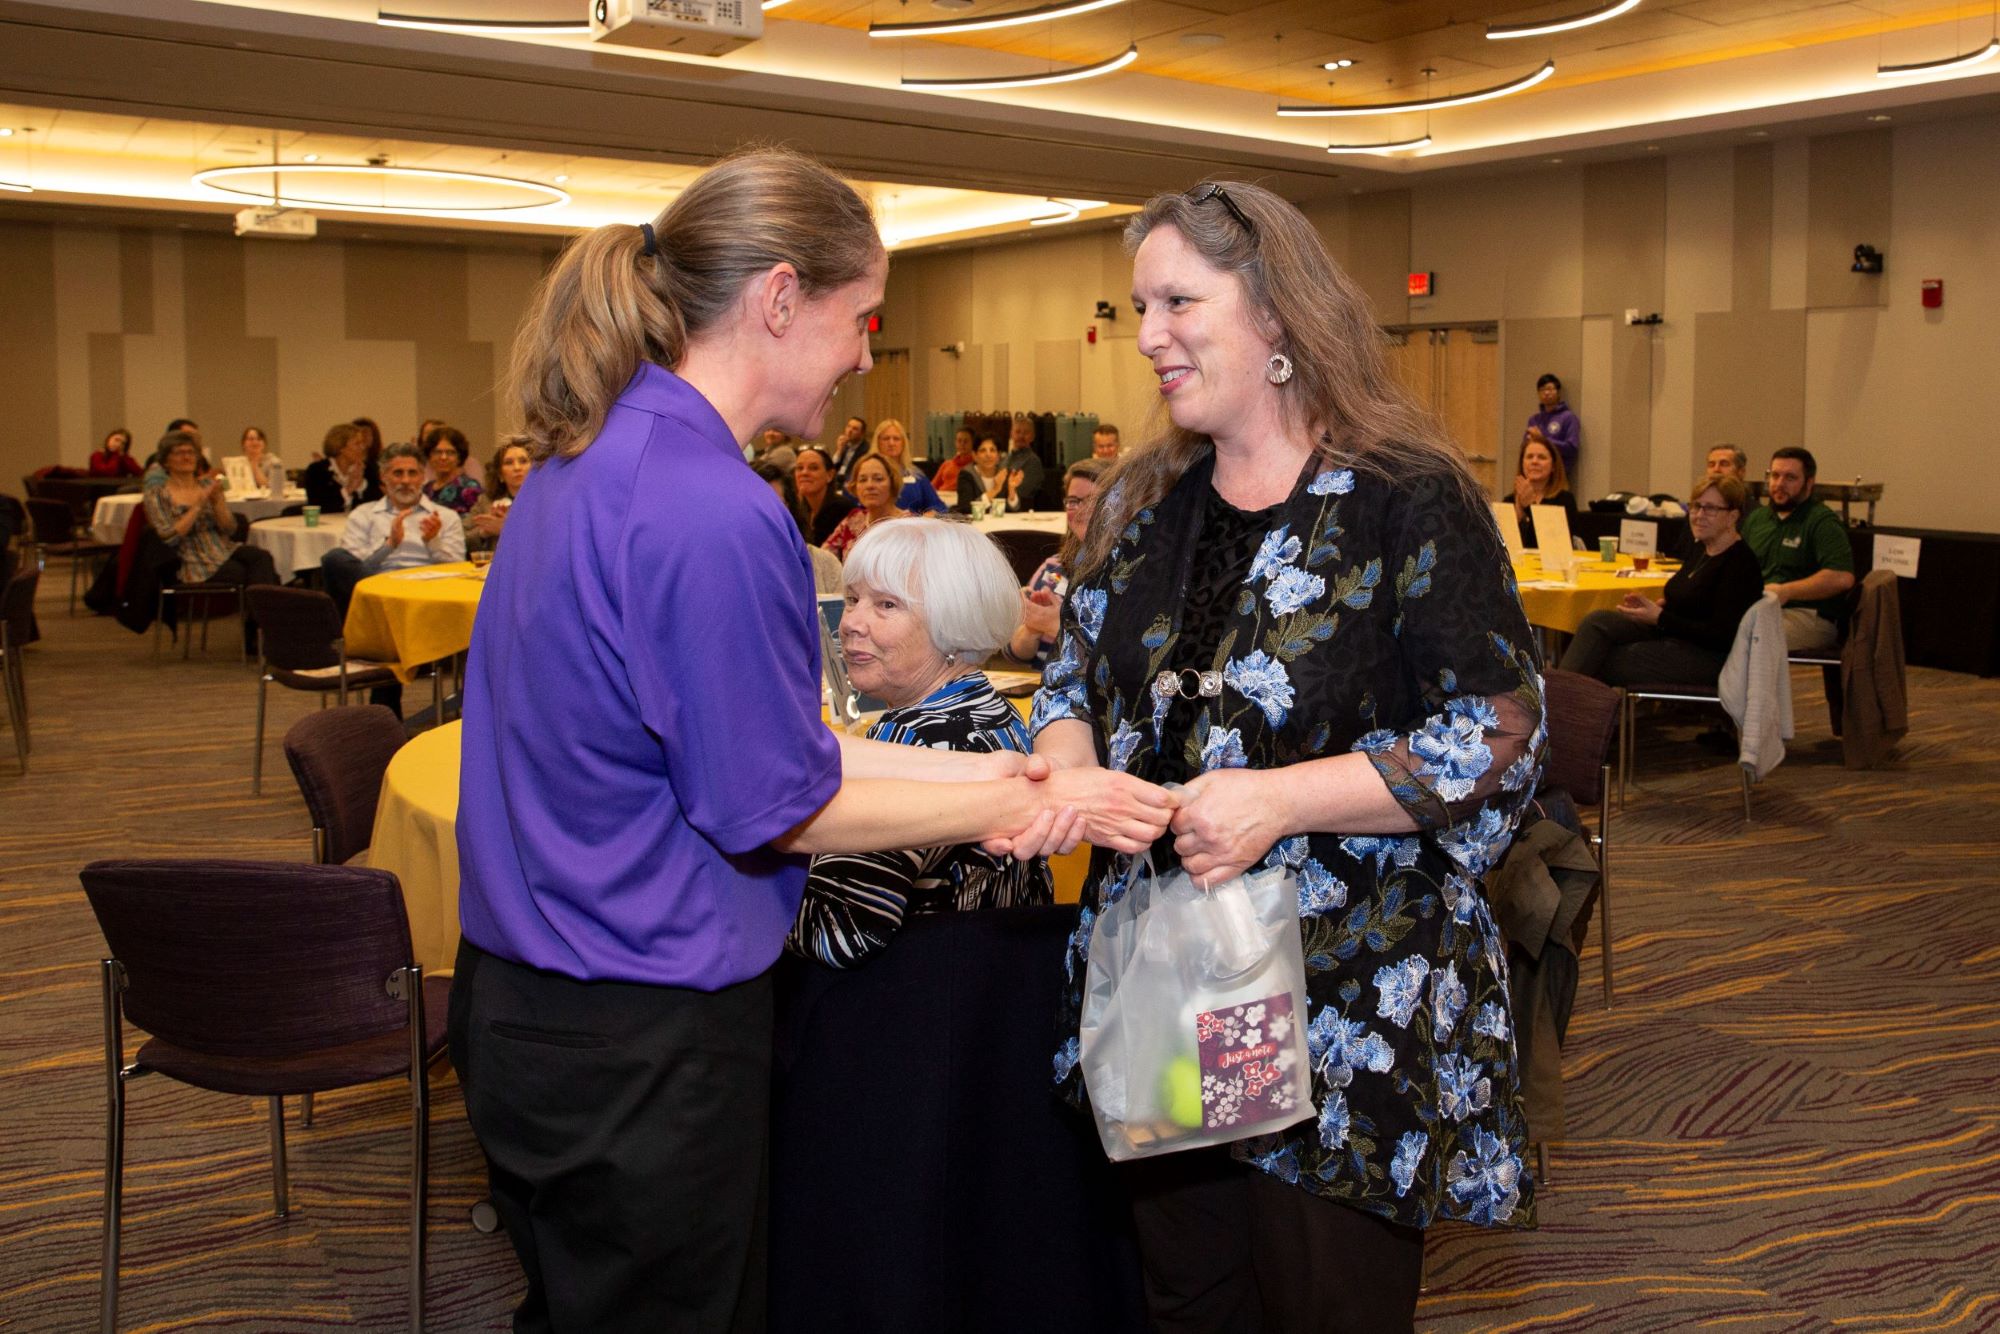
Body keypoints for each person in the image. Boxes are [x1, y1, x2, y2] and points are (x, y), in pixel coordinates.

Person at [447, 146, 1173, 1334]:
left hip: (532, 1010)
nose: (863, 354)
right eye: (858, 318)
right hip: (642, 1036)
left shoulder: (593, 460)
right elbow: (774, 805)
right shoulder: (712, 507)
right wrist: (1015, 808)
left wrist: (1006, 766)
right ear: (778, 298)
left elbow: (784, 745)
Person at [1031, 180, 1544, 1333]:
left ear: (1273, 313)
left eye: (1177, 300)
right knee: (1192, 1292)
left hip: (1340, 989)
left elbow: (1496, 732)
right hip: (1169, 976)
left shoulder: (1401, 496)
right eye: (1137, 306)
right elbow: (1072, 677)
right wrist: (1070, 767)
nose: (1148, 333)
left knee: (1324, 1299)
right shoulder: (1143, 498)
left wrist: (1278, 799)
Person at [790, 519, 1054, 968]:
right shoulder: (998, 710)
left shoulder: (914, 738)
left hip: (913, 1003)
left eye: (886, 605)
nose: (851, 622)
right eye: (853, 599)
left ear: (954, 623)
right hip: (992, 989)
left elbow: (842, 931)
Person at [1559, 476, 1762, 687]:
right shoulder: (1703, 549)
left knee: (1604, 658)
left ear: (1732, 516)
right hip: (1674, 636)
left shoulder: (1740, 565)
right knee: (1597, 621)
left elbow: (1721, 635)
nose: (1699, 515)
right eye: (1696, 506)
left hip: (1709, 658)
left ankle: (1555, 713)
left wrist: (1661, 618)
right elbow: (1690, 597)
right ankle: (1559, 711)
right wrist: (1655, 608)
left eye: (1710, 509)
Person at [142, 430, 279, 651]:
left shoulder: (206, 485)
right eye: (179, 453)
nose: (187, 457)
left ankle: (260, 632)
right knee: (259, 576)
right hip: (191, 559)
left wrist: (217, 504)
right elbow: (169, 536)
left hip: (222, 548)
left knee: (263, 558)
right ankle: (262, 634)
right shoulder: (158, 493)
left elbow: (230, 529)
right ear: (166, 459)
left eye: (191, 453)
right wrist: (197, 505)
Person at [1742, 446, 1855, 652]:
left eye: (1790, 478)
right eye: (1775, 476)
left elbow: (1841, 577)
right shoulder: (1757, 519)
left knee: (1751, 639)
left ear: (1809, 483)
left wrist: (1785, 591)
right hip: (1759, 610)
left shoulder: (1821, 521)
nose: (1779, 484)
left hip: (1808, 615)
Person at [1003, 458, 1100, 666]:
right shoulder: (1053, 568)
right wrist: (1032, 628)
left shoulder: (1129, 574)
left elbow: (1120, 664)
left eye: (1092, 500)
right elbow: (1015, 655)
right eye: (1073, 501)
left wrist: (1058, 626)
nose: (1081, 510)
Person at [823, 451, 909, 561]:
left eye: (878, 479)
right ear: (855, 486)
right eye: (863, 480)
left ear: (893, 483)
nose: (869, 486)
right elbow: (824, 557)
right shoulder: (854, 519)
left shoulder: (909, 525)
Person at [465, 439, 532, 553]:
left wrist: (508, 529)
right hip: (493, 567)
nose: (517, 468)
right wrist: (484, 533)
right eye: (509, 462)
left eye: (523, 461)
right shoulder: (486, 501)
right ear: (500, 474)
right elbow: (462, 539)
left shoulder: (547, 502)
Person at [870, 418, 947, 514]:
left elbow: (938, 506)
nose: (891, 443)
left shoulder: (916, 475)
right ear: (878, 442)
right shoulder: (867, 473)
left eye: (896, 439)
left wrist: (929, 515)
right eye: (886, 438)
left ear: (903, 443)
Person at [301, 421, 382, 513]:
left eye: (362, 443)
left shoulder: (368, 469)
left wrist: (361, 486)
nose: (363, 447)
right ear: (340, 447)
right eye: (357, 444)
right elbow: (319, 506)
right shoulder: (317, 470)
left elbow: (377, 504)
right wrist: (348, 489)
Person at [1511, 436, 1576, 550]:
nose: (1534, 461)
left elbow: (1554, 543)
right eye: (1529, 457)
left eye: (1542, 457)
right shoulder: (1509, 500)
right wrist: (1518, 516)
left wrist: (1530, 507)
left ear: (1553, 466)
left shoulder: (1565, 500)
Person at [791, 444, 856, 547]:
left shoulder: (843, 510)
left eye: (813, 468)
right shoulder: (797, 510)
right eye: (799, 468)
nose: (804, 473)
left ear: (829, 475)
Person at [1523, 373, 1579, 474]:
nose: (1546, 393)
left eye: (1550, 389)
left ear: (1558, 392)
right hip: (1535, 473)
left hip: (1558, 475)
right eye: (1542, 390)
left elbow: (1571, 449)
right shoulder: (1534, 420)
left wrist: (1543, 439)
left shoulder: (1568, 417)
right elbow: (1525, 447)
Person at [423, 426, 484, 515]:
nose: (443, 457)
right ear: (429, 456)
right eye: (437, 452)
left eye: (450, 452)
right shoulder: (425, 490)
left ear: (459, 457)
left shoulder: (469, 487)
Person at [1000, 415, 1046, 510]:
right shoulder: (1004, 459)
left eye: (1026, 433)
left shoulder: (1033, 462)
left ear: (1032, 436)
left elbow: (1022, 493)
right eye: (1017, 432)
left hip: (1019, 512)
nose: (1021, 436)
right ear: (1011, 434)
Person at [228, 426, 284, 497]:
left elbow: (270, 486)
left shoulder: (274, 462)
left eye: (259, 439)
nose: (255, 442)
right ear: (243, 444)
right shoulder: (237, 463)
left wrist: (254, 463)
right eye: (251, 439)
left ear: (264, 443)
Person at [954, 436, 1005, 513]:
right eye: (983, 450)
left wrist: (1012, 490)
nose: (988, 455)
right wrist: (995, 490)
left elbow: (1013, 508)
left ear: (998, 455)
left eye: (992, 450)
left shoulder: (1003, 473)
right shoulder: (966, 475)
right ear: (974, 455)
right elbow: (966, 508)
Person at [931, 426, 975, 497]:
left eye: (966, 441)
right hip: (941, 497)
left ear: (973, 443)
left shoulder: (976, 466)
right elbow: (932, 486)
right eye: (959, 441)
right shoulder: (947, 464)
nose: (962, 444)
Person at [830, 414, 869, 484]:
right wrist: (839, 451)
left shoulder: (866, 450)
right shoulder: (844, 445)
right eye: (848, 426)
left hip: (850, 484)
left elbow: (855, 474)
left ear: (862, 434)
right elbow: (831, 468)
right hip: (837, 482)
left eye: (855, 429)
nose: (850, 430)